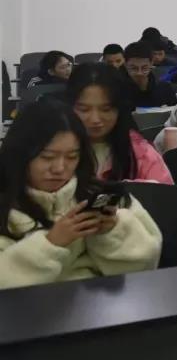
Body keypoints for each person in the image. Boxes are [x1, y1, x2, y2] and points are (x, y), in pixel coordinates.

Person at [0, 101, 162, 290]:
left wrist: (111, 232)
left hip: (101, 304)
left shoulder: (97, 194)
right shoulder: (6, 207)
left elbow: (146, 266)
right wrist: (51, 243)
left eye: (72, 157)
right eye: (47, 157)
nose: (59, 168)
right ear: (19, 154)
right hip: (25, 307)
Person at [68, 64, 173, 183]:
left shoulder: (141, 153)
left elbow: (164, 192)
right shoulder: (55, 149)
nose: (95, 119)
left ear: (119, 109)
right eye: (84, 110)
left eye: (106, 109)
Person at [122, 42, 177, 108]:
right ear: (125, 65)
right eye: (134, 68)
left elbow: (175, 111)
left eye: (144, 68)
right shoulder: (118, 90)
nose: (139, 73)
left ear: (151, 64)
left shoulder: (164, 89)